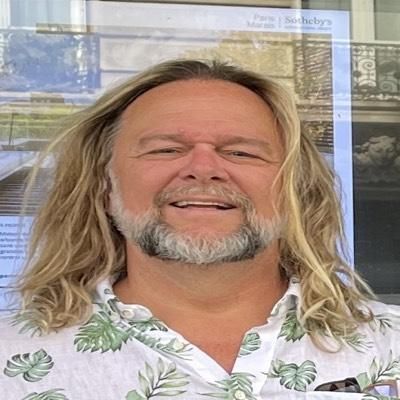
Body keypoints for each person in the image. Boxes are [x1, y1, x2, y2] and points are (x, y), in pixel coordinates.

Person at [0, 59, 399, 400]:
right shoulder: (10, 363)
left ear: (296, 188)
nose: (204, 169)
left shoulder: (390, 347)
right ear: (105, 187)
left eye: (241, 152)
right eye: (165, 149)